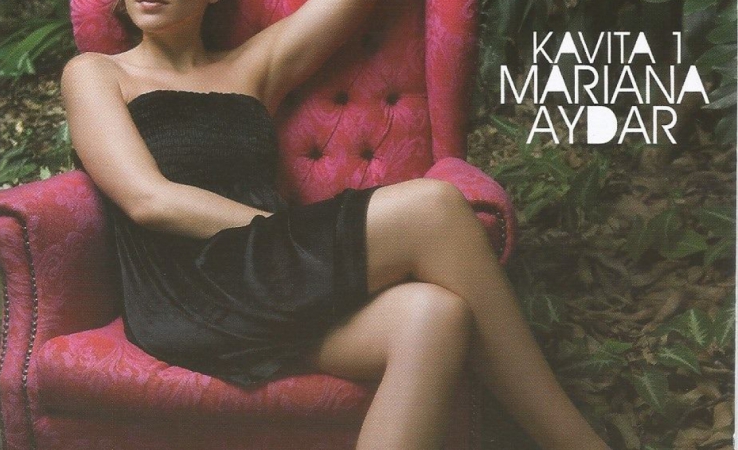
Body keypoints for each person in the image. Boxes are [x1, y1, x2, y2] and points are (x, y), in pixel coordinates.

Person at [61, 0, 610, 448]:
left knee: (434, 316)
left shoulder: (254, 64)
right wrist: (295, 235)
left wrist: (295, 244)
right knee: (434, 208)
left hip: (271, 278)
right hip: (189, 288)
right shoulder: (96, 73)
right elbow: (149, 200)